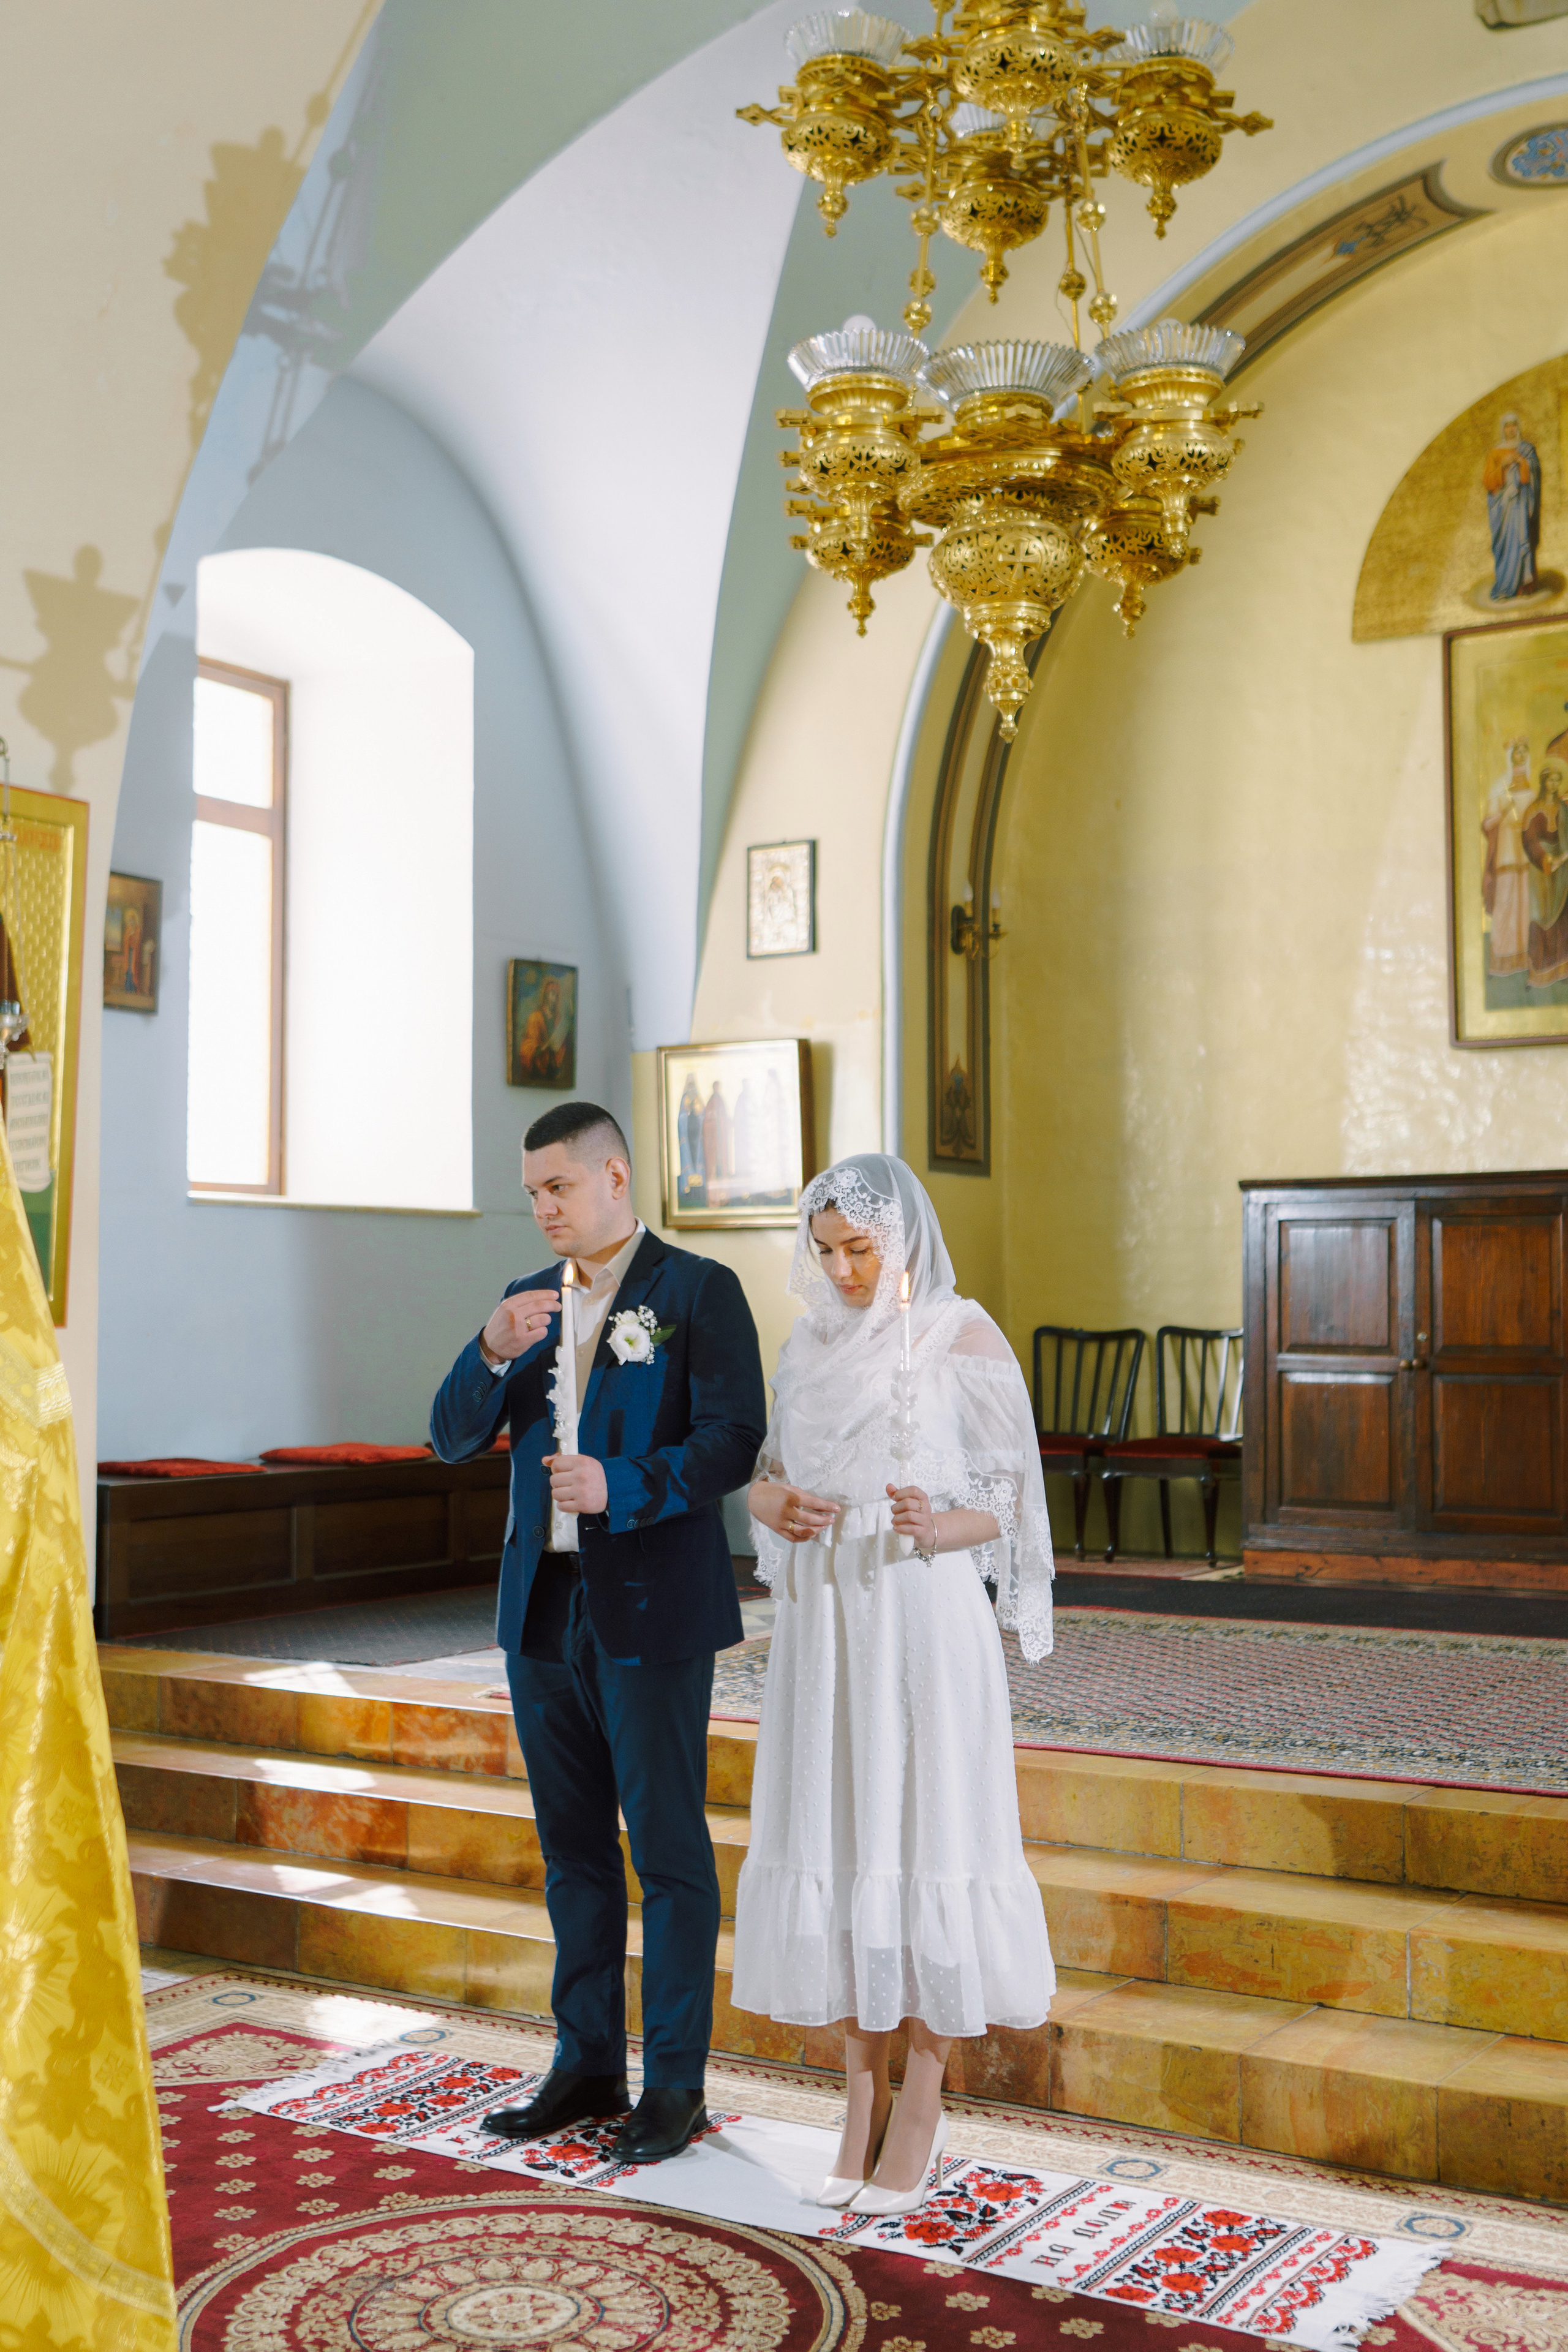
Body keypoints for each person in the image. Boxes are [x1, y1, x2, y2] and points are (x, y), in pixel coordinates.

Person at [430, 1100, 767, 2163]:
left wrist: (621, 1483)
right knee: (571, 1851)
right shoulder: (523, 1300)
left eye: (559, 1188)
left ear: (614, 1178)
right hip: (542, 1610)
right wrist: (488, 1351)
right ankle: (584, 2065)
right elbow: (449, 1438)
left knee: (666, 1851)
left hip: (653, 1604)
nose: (543, 1208)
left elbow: (734, 1440)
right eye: (532, 1193)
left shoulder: (698, 1290)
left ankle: (674, 2085)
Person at [732, 1153, 1055, 2215]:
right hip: (827, 1630)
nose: (842, 1270)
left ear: (903, 1236)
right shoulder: (808, 1344)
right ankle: (858, 2095)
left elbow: (1008, 1503)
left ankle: (922, 2098)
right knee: (844, 1836)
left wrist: (936, 1524)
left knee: (927, 1836)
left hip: (919, 1616)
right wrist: (769, 1503)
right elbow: (773, 1477)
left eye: (860, 1249)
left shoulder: (962, 1335)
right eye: (825, 1251)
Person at [1482, 736, 1534, 978]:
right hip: (1505, 854)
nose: (1521, 755)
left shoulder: (1533, 788)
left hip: (1526, 855)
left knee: (1525, 905)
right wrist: (1503, 811)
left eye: (1525, 751)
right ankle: (1502, 958)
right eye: (1517, 751)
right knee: (1505, 904)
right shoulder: (1499, 787)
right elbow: (1487, 824)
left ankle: (1524, 957)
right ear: (1510, 755)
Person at [1484, 412, 1541, 604]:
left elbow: (1531, 476)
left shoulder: (1526, 450)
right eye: (1507, 426)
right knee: (1506, 545)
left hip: (1521, 505)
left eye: (1514, 425)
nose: (1511, 430)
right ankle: (1505, 586)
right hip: (1503, 508)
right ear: (1503, 429)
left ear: (1518, 427)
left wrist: (1522, 462)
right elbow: (1488, 482)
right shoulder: (1495, 453)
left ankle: (1524, 585)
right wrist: (1503, 465)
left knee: (1522, 539)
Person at [1525, 762, 1568, 989]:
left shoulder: (1563, 808)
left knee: (1563, 917)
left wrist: (1564, 856)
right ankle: (1542, 971)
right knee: (1542, 917)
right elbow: (1529, 840)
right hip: (1542, 871)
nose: (1554, 784)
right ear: (1543, 782)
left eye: (1557, 780)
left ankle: (1563, 969)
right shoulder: (1533, 809)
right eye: (1550, 780)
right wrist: (1548, 859)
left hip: (1564, 870)